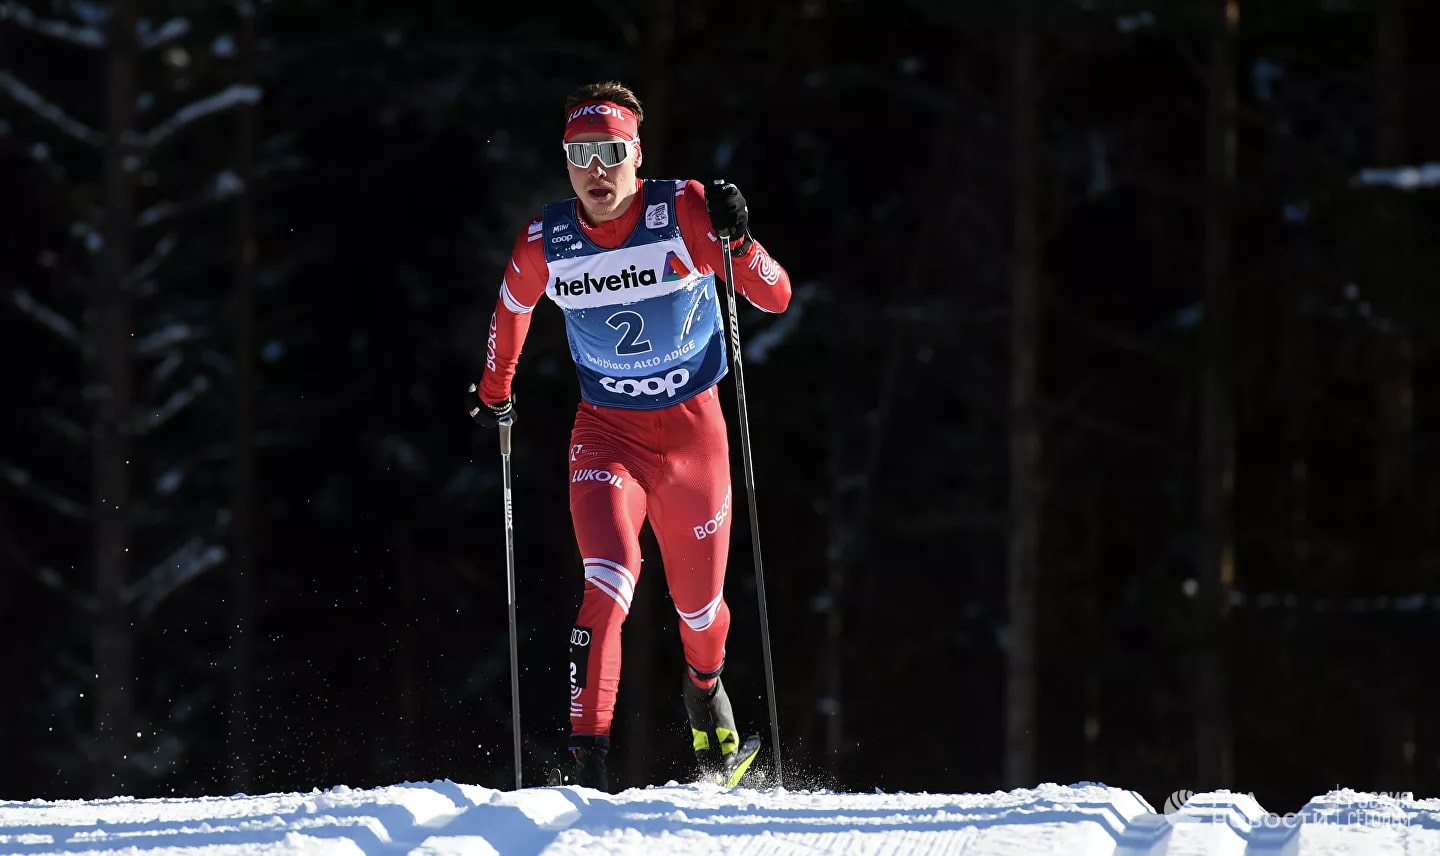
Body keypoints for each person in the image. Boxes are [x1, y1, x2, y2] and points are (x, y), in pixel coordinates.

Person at [469, 80, 792, 792]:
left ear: (637, 155)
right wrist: (495, 391)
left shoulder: (683, 211)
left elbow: (774, 294)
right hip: (606, 435)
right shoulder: (547, 240)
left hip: (693, 437)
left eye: (612, 153)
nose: (597, 170)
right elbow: (511, 308)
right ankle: (588, 767)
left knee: (700, 614)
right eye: (580, 154)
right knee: (608, 581)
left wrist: (740, 239)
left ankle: (704, 692)